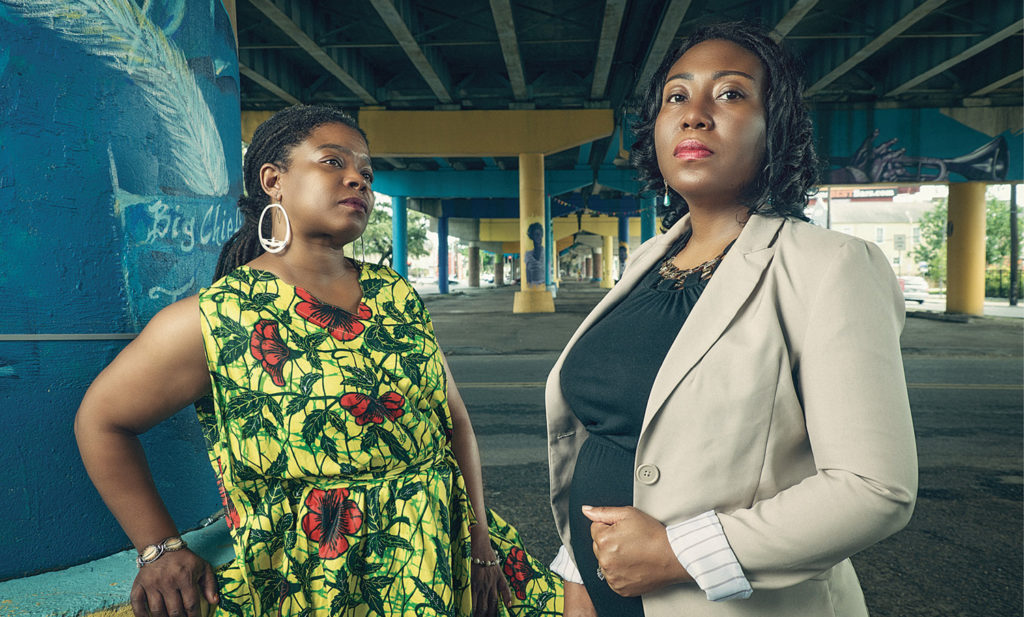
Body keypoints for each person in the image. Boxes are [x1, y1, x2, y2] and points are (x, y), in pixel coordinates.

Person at [74, 104, 561, 617]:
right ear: (273, 180)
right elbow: (102, 421)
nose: (358, 178)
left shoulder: (395, 293)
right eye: (333, 162)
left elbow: (452, 418)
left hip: (449, 552)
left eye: (367, 173)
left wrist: (479, 541)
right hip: (318, 582)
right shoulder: (216, 318)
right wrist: (159, 548)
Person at [545, 22, 917, 617]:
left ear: (777, 128)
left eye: (731, 93)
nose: (695, 114)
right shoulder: (648, 261)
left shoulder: (831, 266)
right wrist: (577, 570)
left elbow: (874, 490)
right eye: (676, 96)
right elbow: (610, 433)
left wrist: (677, 552)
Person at [524, 222, 545, 287]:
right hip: (532, 287)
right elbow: (528, 275)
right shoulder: (528, 255)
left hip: (543, 286)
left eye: (540, 234)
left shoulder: (546, 253)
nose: (538, 236)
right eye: (536, 234)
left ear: (542, 235)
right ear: (532, 236)